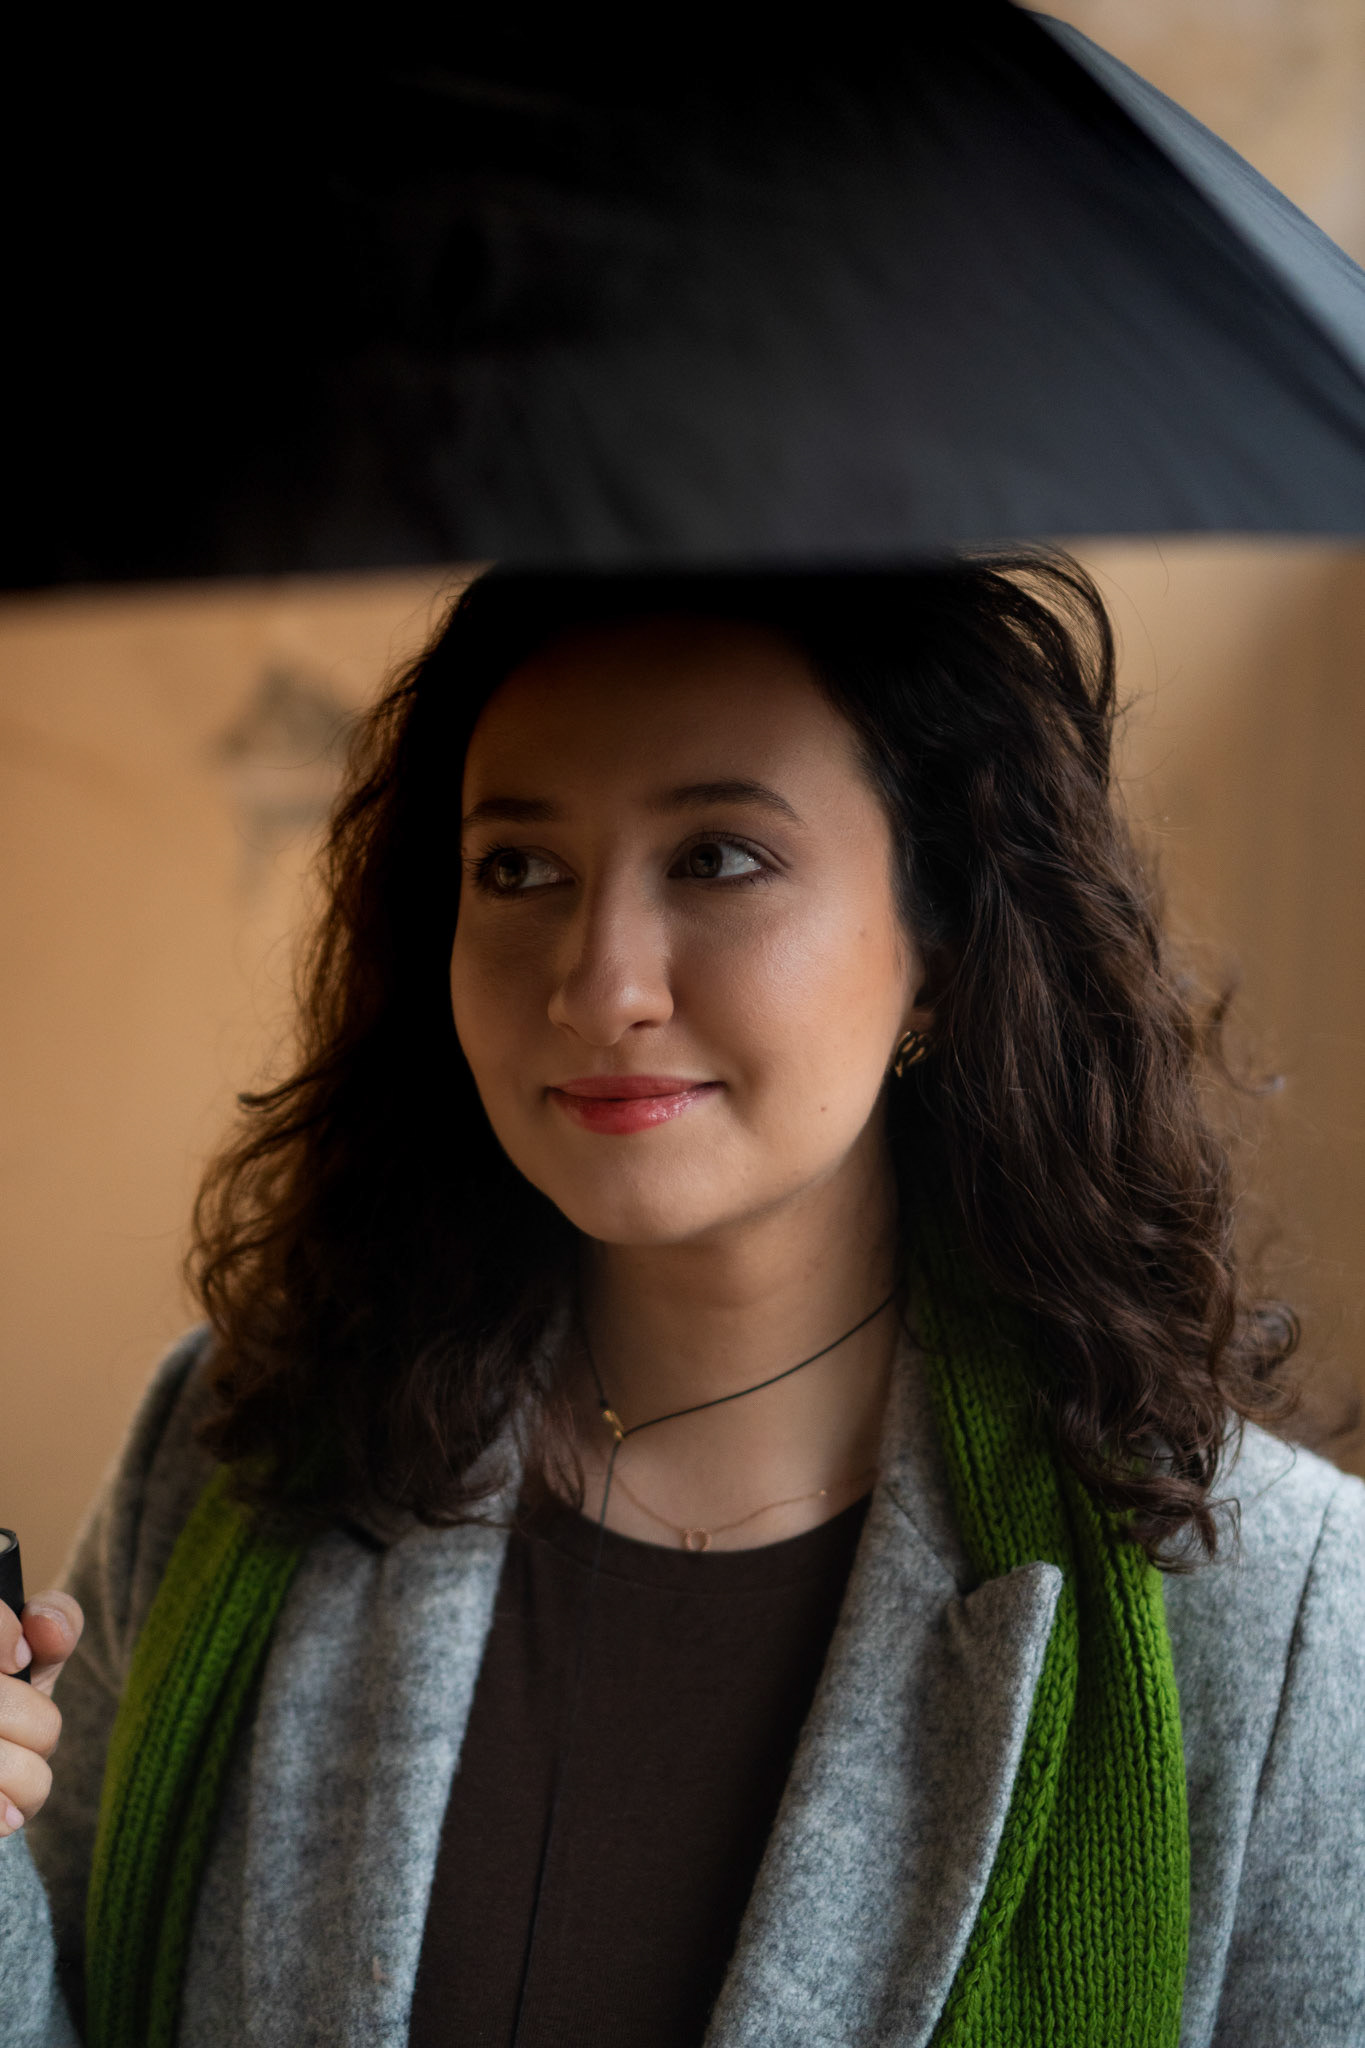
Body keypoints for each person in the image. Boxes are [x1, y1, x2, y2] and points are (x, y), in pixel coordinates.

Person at [1, 554, 1362, 2048]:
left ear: (941, 942)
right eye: (518, 869)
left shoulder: (1282, 1608)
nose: (601, 987)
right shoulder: (236, 1445)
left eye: (717, 857)